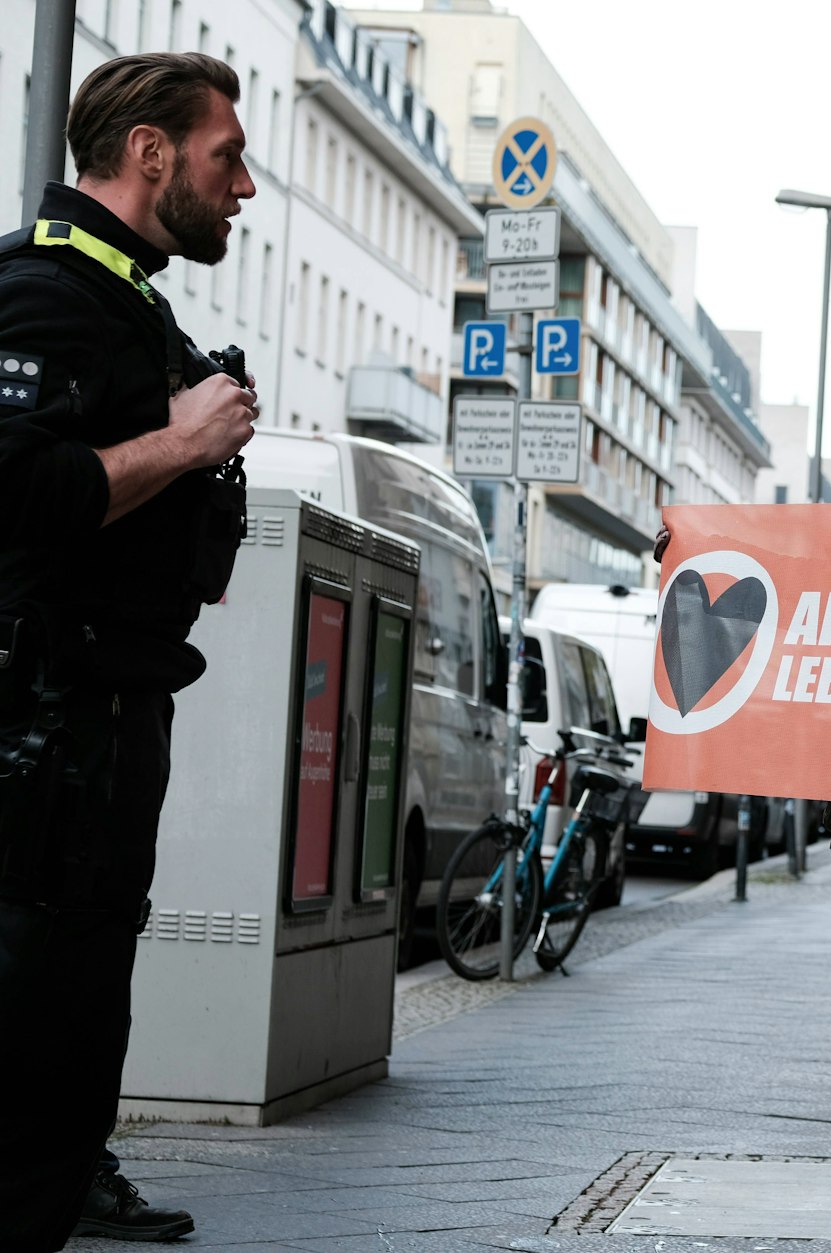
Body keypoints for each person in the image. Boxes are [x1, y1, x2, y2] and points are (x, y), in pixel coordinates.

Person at [0, 52, 258, 1249]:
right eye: (227, 155)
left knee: (69, 1051)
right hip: (40, 745)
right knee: (34, 1056)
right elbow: (17, 498)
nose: (243, 185)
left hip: (99, 740)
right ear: (152, 153)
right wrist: (183, 437)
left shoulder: (128, 300)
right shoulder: (44, 292)